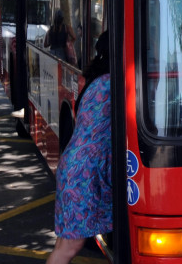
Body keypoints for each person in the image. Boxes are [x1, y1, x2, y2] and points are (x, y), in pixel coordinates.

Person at [47, 33, 112, 264]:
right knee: (69, 247)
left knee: (64, 243)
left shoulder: (95, 79)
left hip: (75, 165)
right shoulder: (113, 83)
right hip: (84, 172)